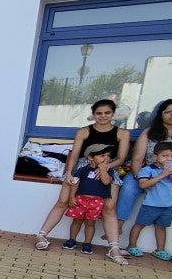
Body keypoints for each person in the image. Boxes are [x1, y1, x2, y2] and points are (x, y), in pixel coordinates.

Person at [34, 99, 131, 265]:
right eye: (99, 113)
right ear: (93, 114)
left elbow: (121, 158)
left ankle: (114, 248)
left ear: (113, 114)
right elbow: (75, 154)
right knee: (63, 201)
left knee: (109, 207)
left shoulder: (122, 133)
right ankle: (42, 234)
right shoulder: (84, 131)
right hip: (83, 167)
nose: (103, 116)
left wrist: (104, 167)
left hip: (108, 168)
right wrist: (70, 173)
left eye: (107, 113)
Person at [117, 99, 172, 225]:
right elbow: (137, 158)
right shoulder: (149, 132)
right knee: (129, 186)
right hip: (148, 172)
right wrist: (140, 178)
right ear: (160, 114)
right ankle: (118, 226)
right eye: (168, 111)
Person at [125, 141, 172, 260]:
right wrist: (162, 175)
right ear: (156, 157)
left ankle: (160, 250)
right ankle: (131, 246)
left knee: (161, 227)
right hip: (151, 204)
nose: (169, 159)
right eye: (165, 156)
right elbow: (143, 184)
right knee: (140, 224)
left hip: (168, 205)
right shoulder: (148, 169)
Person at [62, 144, 115, 255]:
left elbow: (106, 182)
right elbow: (75, 183)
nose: (106, 158)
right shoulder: (82, 170)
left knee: (90, 224)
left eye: (108, 156)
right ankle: (72, 240)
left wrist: (103, 169)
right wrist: (71, 197)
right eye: (102, 155)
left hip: (96, 202)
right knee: (76, 221)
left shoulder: (108, 171)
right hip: (80, 200)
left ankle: (87, 243)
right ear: (91, 157)